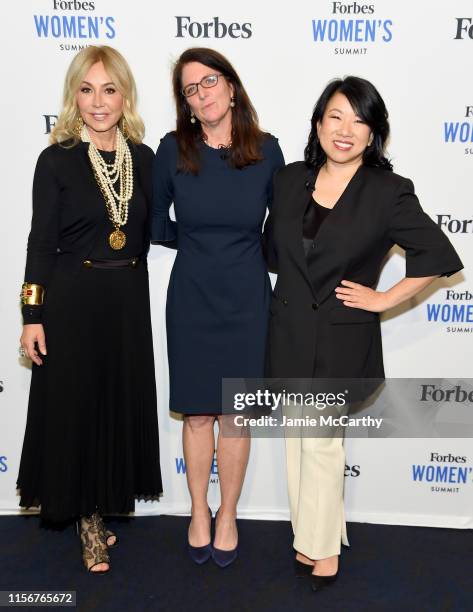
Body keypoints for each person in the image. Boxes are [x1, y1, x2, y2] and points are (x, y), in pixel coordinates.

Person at [263, 76, 463, 592]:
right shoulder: (288, 180)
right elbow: (273, 253)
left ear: (374, 134)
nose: (345, 129)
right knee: (297, 443)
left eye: (359, 120)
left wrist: (381, 298)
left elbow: (438, 256)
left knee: (323, 444)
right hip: (288, 332)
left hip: (341, 336)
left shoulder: (388, 192)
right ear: (317, 123)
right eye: (335, 116)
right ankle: (314, 531)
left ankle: (321, 545)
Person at [17, 45, 162, 574]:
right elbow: (39, 243)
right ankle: (87, 520)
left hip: (126, 302)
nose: (98, 102)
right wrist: (32, 315)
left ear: (125, 95)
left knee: (115, 407)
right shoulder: (55, 159)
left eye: (109, 89)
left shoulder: (143, 160)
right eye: (87, 89)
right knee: (77, 410)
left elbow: (152, 232)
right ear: (73, 96)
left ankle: (100, 505)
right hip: (72, 302)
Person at [152, 47, 284, 567]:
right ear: (185, 103)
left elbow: (282, 225)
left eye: (209, 81)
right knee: (198, 413)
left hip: (248, 298)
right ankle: (198, 510)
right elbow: (156, 221)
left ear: (231, 87)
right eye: (190, 88)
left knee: (235, 415)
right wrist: (198, 242)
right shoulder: (172, 149)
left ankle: (227, 513)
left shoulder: (266, 151)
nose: (202, 93)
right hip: (192, 296)